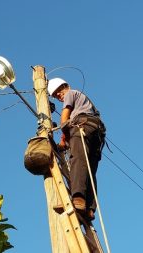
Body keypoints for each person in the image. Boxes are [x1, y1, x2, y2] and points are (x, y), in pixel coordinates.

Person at [48, 77, 106, 220]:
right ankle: (90, 209)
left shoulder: (70, 93)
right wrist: (65, 140)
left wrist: (63, 136)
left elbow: (64, 119)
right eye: (55, 96)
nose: (59, 97)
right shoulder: (84, 101)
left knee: (78, 160)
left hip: (82, 127)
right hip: (96, 133)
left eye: (58, 93)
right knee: (90, 170)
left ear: (65, 86)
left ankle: (78, 199)